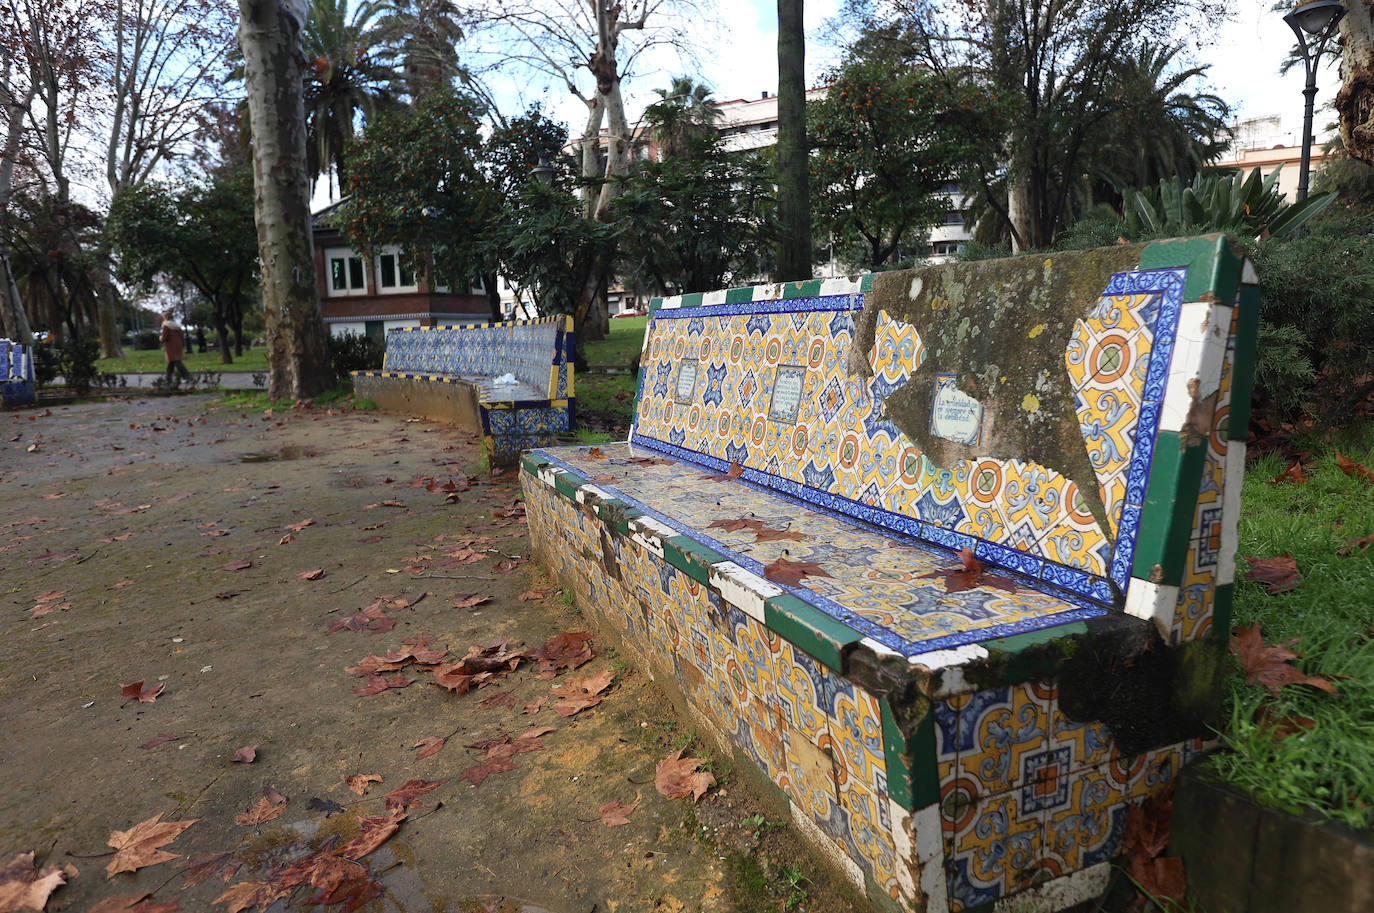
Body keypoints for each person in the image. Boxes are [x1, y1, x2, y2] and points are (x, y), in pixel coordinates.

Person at [160, 311, 190, 385]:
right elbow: (182, 336)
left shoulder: (166, 326)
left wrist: (160, 337)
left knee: (176, 361)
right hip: (178, 345)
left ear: (165, 317)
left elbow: (164, 338)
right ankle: (168, 378)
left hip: (170, 346)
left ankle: (186, 376)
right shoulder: (177, 325)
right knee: (172, 362)